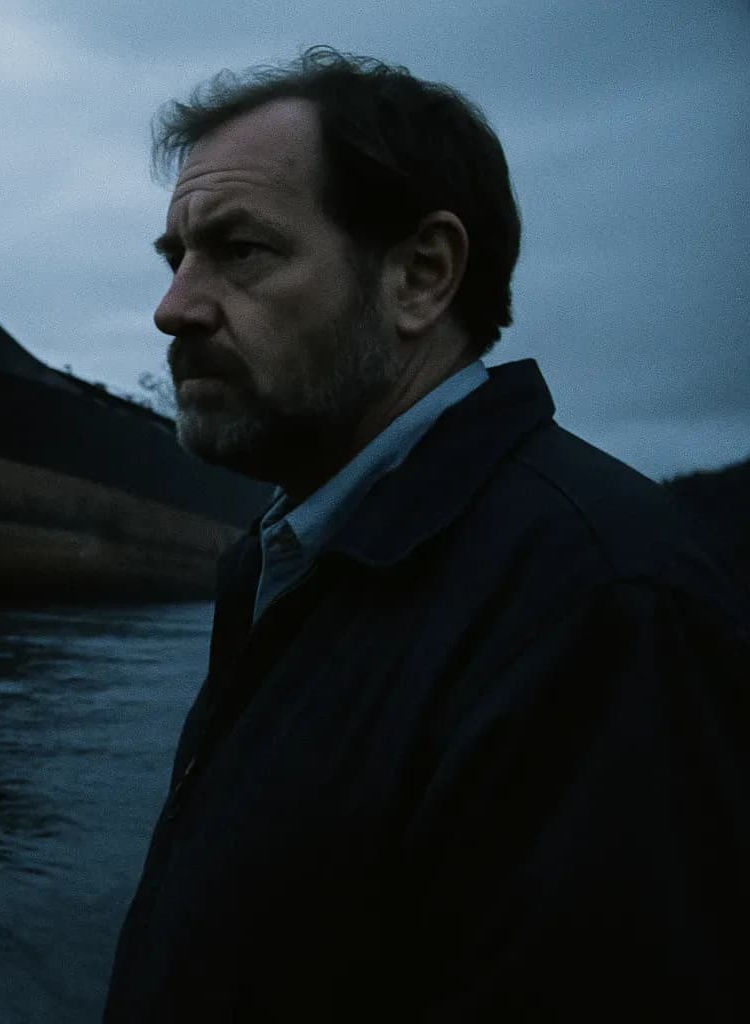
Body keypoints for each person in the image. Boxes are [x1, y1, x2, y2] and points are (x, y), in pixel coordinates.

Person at [104, 46, 750, 1022]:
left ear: (421, 275)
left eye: (240, 251)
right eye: (177, 257)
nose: (174, 306)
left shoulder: (606, 608)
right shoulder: (294, 559)